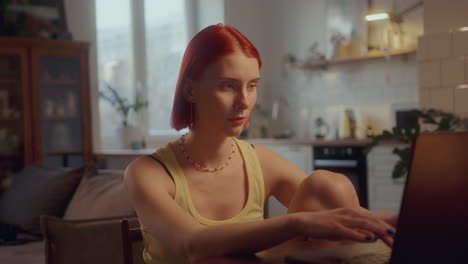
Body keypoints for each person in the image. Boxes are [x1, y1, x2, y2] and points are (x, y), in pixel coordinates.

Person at [124, 24, 397, 264]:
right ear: (190, 90)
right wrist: (295, 223)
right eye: (227, 86)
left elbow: (345, 216)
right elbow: (193, 245)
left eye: (252, 85)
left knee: (330, 186)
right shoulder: (147, 173)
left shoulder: (259, 161)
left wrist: (416, 219)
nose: (244, 101)